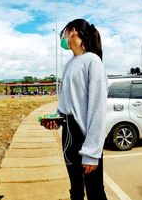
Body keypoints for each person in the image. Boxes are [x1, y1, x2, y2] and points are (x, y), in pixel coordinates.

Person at [43, 18, 108, 200]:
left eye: (64, 33)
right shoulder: (70, 64)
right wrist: (56, 119)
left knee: (95, 191)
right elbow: (66, 103)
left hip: (85, 134)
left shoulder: (92, 61)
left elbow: (97, 109)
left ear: (73, 31)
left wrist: (92, 153)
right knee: (76, 189)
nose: (62, 38)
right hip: (68, 134)